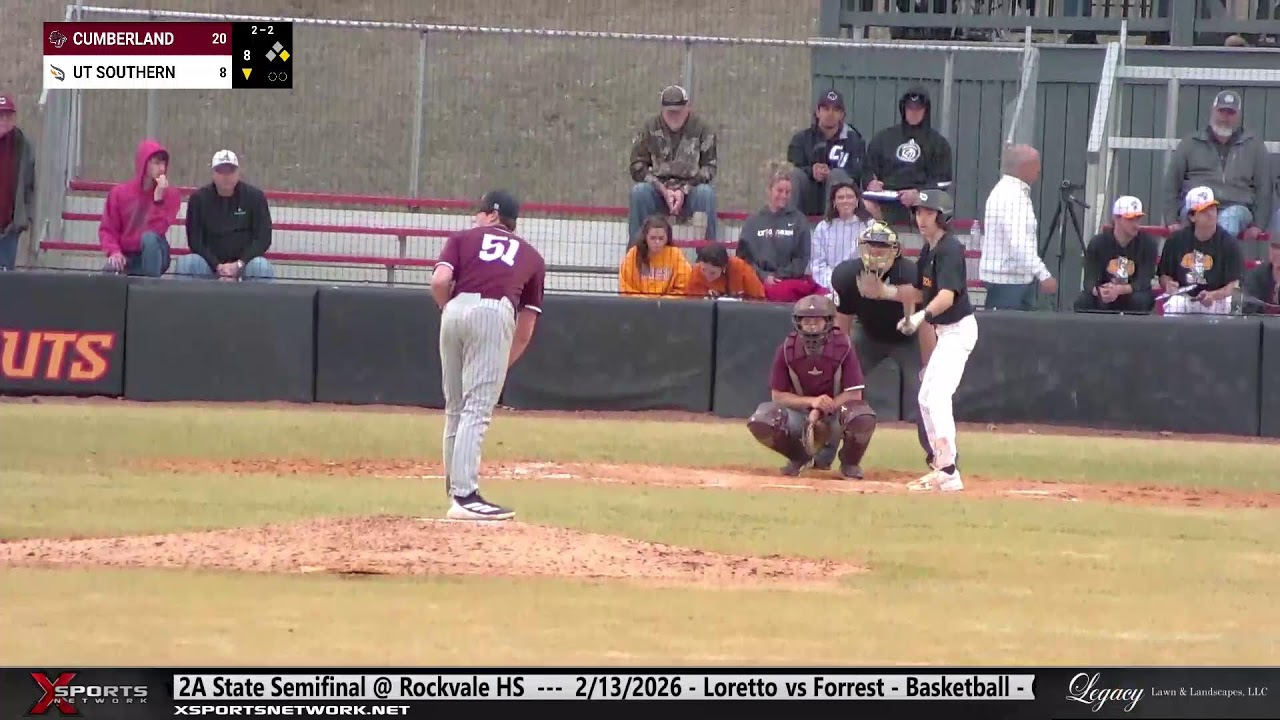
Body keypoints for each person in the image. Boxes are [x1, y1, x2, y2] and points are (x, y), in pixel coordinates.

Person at [429, 190, 546, 521]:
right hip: (494, 311)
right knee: (477, 408)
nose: (475, 218)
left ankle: (455, 491)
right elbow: (525, 330)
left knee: (455, 407)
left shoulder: (462, 238)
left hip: (454, 308)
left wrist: (448, 307)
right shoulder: (532, 256)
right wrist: (498, 365)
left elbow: (440, 280)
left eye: (479, 212)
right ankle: (466, 496)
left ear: (492, 215)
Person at [831, 221, 939, 470]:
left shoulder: (910, 273)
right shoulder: (846, 275)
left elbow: (923, 321)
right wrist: (839, 364)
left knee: (928, 395)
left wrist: (929, 367)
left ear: (896, 251)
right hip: (868, 337)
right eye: (871, 246)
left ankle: (940, 457)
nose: (876, 253)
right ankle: (827, 453)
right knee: (840, 388)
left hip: (909, 340)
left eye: (882, 247)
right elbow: (843, 324)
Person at [894, 190, 976, 493]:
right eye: (918, 213)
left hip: (958, 330)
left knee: (937, 397)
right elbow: (918, 293)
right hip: (945, 332)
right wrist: (885, 293)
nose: (922, 218)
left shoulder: (949, 248)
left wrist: (920, 317)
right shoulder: (929, 251)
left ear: (942, 216)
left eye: (928, 213)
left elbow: (947, 295)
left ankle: (948, 470)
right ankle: (942, 467)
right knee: (926, 398)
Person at [746, 294, 877, 479]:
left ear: (829, 323)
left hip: (837, 413)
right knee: (762, 420)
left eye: (817, 321)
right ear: (798, 323)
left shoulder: (844, 346)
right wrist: (812, 403)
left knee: (862, 416)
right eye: (807, 321)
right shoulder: (786, 349)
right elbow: (777, 396)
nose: (812, 327)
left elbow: (854, 394)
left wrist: (823, 410)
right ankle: (799, 457)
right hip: (801, 415)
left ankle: (850, 463)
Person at [1163, 90, 1271, 241]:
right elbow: (1171, 185)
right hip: (1197, 205)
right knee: (1194, 219)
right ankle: (1194, 261)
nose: (1225, 117)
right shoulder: (1190, 143)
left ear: (1239, 115)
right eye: (1221, 111)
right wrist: (1171, 220)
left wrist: (1258, 224)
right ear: (1213, 111)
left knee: (1229, 219)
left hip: (1236, 206)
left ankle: (1210, 261)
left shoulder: (1254, 146)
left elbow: (1264, 189)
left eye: (1230, 113)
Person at [627, 84, 718, 243]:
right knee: (639, 193)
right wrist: (661, 188)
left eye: (679, 111)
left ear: (688, 108)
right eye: (670, 112)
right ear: (662, 110)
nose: (674, 116)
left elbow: (709, 167)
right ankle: (637, 254)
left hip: (691, 192)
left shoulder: (702, 129)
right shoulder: (649, 127)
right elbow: (637, 165)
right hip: (657, 192)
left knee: (706, 194)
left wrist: (684, 190)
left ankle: (708, 256)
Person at [978, 144, 1057, 310]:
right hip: (1009, 284)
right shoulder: (1013, 196)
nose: (1039, 170)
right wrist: (1043, 274)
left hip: (1010, 280)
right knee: (1009, 333)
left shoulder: (1007, 191)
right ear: (1025, 167)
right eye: (1036, 164)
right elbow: (1019, 243)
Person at [175, 150, 275, 281]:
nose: (226, 176)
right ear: (213, 174)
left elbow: (263, 238)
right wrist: (217, 266)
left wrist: (239, 264)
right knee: (187, 263)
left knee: (262, 267)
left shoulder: (255, 197)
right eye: (220, 171)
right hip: (210, 265)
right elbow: (195, 240)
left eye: (230, 171)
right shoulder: (199, 199)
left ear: (238, 173)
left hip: (245, 265)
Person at [863, 87, 954, 228]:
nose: (914, 112)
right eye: (910, 108)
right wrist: (870, 182)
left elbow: (943, 182)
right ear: (903, 109)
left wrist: (919, 194)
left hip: (922, 205)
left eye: (918, 108)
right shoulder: (883, 139)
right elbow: (866, 168)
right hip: (886, 203)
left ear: (926, 110)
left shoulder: (938, 143)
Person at [736, 162, 823, 303]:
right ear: (769, 190)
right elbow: (744, 258)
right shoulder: (753, 221)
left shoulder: (799, 220)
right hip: (757, 282)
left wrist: (779, 276)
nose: (784, 196)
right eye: (779, 191)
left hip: (787, 284)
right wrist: (764, 276)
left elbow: (802, 258)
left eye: (787, 192)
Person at [98, 138, 179, 277]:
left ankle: (150, 289)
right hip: (127, 254)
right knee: (110, 269)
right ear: (144, 164)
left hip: (155, 252)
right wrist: (114, 252)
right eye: (156, 163)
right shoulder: (119, 193)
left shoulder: (171, 195)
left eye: (164, 163)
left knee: (149, 240)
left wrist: (158, 198)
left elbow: (158, 231)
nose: (162, 169)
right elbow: (108, 229)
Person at [1157, 186, 1243, 316]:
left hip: (1217, 299)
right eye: (1204, 210)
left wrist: (1214, 295)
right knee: (1174, 304)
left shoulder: (1228, 243)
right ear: (1192, 216)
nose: (1211, 213)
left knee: (1230, 304)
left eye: (1212, 208)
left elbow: (1235, 284)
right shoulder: (1176, 240)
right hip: (1186, 297)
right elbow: (1164, 274)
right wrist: (1169, 284)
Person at [786, 90, 867, 217]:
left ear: (842, 115)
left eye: (835, 110)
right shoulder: (801, 139)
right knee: (795, 175)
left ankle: (831, 226)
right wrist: (812, 171)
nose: (830, 113)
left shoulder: (854, 140)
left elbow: (857, 173)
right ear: (817, 112)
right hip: (808, 195)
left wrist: (831, 173)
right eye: (825, 108)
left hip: (839, 198)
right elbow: (793, 165)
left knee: (837, 175)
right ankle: (789, 224)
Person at [1074, 196, 1159, 313]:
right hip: (1105, 291)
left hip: (1132, 293)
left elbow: (1144, 280)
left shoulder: (1148, 243)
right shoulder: (1098, 243)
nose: (1136, 224)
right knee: (1083, 301)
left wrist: (1119, 290)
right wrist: (1100, 291)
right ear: (1116, 218)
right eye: (1130, 219)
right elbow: (1089, 279)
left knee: (1140, 300)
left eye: (1138, 219)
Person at [809, 181, 872, 294]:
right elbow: (818, 265)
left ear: (857, 201)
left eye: (850, 197)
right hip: (828, 285)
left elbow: (872, 262)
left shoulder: (870, 226)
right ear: (834, 202)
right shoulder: (823, 227)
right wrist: (834, 283)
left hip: (860, 285)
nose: (845, 201)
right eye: (840, 197)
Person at [0, 93, 36, 272]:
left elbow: (29, 185)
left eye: (8, 115)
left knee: (6, 282)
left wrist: (25, 216)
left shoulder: (22, 144)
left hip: (8, 229)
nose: (4, 120)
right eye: (0, 115)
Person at [618, 215, 691, 297]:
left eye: (661, 238)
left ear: (667, 238)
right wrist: (646, 302)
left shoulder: (676, 255)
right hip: (638, 306)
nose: (657, 242)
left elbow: (683, 288)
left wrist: (661, 302)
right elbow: (625, 287)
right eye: (653, 238)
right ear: (645, 237)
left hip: (667, 307)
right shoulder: (633, 254)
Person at [684, 241, 765, 300]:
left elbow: (759, 298)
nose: (707, 275)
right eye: (704, 269)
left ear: (724, 268)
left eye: (712, 273)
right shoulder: (697, 273)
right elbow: (691, 303)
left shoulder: (741, 268)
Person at [1241, 238, 1280, 315]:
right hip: (1262, 324)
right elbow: (1248, 308)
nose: (1277, 252)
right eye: (1274, 247)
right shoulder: (1255, 275)